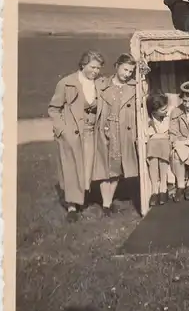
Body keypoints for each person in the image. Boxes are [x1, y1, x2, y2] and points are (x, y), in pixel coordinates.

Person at [48, 51, 108, 222]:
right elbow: (54, 109)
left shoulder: (99, 84)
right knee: (72, 168)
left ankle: (83, 197)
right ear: (83, 65)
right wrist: (62, 130)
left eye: (98, 68)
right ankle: (72, 207)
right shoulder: (66, 83)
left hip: (91, 132)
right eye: (92, 67)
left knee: (87, 167)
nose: (96, 71)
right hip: (72, 133)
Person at [98, 53, 139, 217]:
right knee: (104, 167)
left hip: (124, 131)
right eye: (125, 69)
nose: (127, 74)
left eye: (130, 71)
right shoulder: (102, 85)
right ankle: (105, 203)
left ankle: (108, 203)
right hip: (106, 129)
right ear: (117, 66)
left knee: (117, 167)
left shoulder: (135, 87)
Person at [146, 91, 171, 207]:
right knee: (153, 160)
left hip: (165, 145)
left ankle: (163, 188)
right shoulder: (148, 120)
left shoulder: (167, 117)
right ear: (154, 111)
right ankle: (155, 190)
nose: (165, 111)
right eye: (162, 109)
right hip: (154, 148)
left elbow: (167, 134)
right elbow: (147, 134)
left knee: (161, 143)